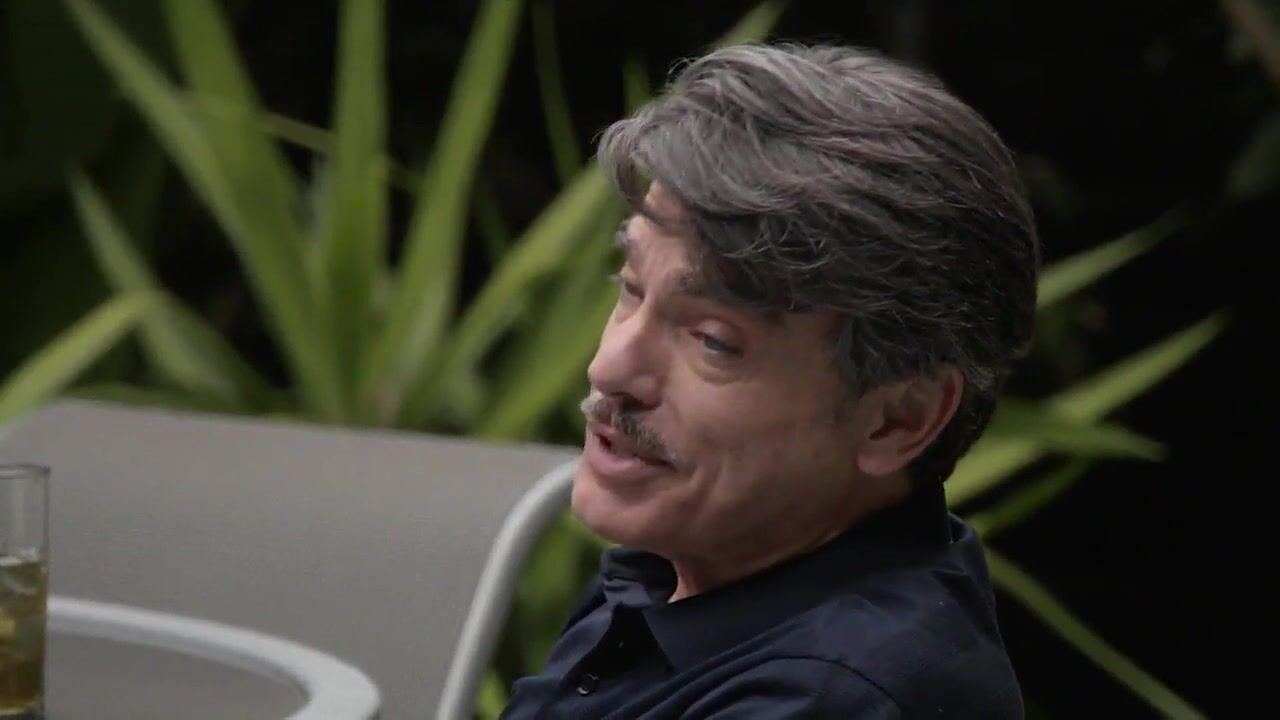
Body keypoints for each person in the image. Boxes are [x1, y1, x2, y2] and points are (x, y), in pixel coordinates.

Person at [500, 41, 1038, 719]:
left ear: (897, 419)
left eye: (713, 340)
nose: (610, 368)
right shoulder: (693, 568)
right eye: (631, 288)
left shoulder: (829, 697)